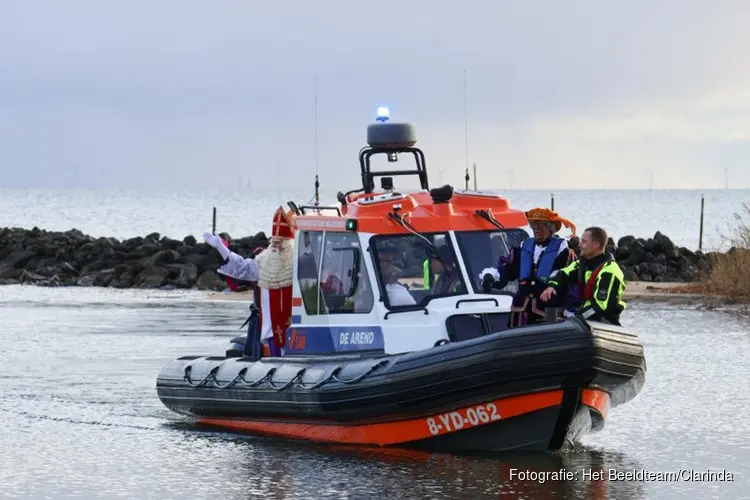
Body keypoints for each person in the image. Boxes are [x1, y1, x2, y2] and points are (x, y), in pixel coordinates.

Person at [203, 206, 294, 357]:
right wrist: (221, 247)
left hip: (294, 325)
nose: (277, 246)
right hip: (271, 324)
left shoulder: (298, 263)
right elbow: (241, 267)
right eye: (275, 242)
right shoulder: (264, 262)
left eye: (281, 242)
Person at [479, 208, 578, 327]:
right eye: (533, 224)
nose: (536, 228)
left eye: (540, 225)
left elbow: (571, 282)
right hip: (521, 310)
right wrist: (490, 277)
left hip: (549, 311)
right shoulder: (523, 249)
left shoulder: (564, 253)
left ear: (550, 227)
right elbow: (507, 270)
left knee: (549, 338)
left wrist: (571, 309)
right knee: (517, 339)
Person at [540, 226, 627, 325]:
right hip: (583, 317)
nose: (579, 245)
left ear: (596, 245)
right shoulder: (581, 264)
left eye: (584, 242)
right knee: (551, 294)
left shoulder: (609, 271)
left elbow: (601, 306)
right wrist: (552, 286)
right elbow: (563, 273)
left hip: (604, 321)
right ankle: (549, 325)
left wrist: (576, 318)